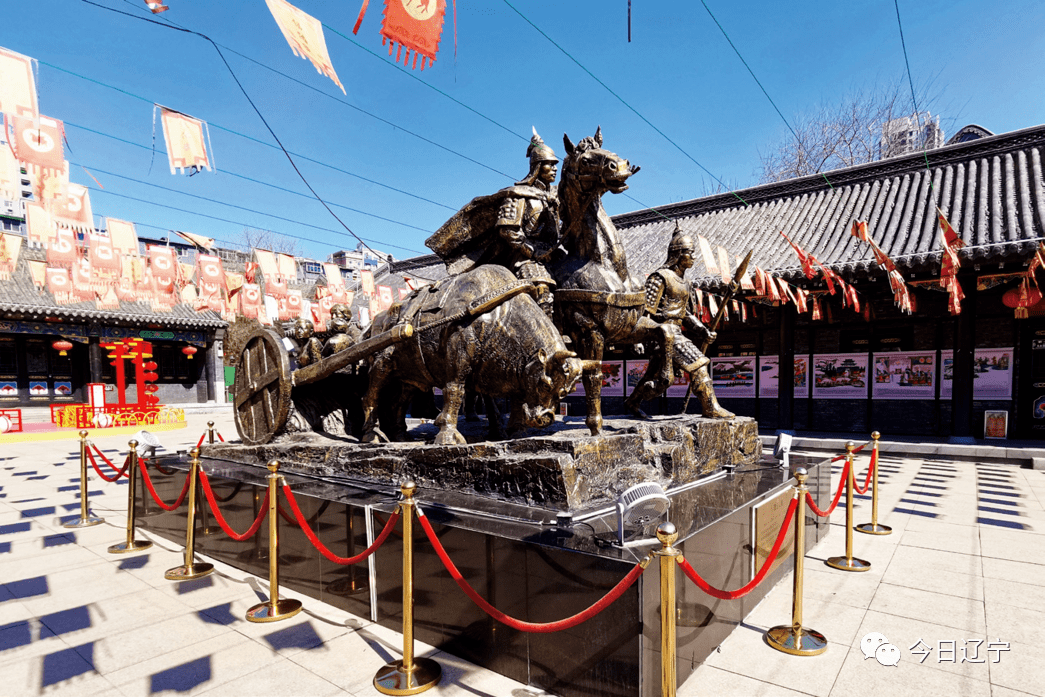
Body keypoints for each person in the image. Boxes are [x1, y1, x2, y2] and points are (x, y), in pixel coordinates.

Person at [425, 128, 563, 314]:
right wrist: (533, 251)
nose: (555, 168)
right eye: (549, 164)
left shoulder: (554, 196)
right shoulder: (518, 195)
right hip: (522, 258)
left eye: (555, 164)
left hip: (551, 253)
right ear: (537, 166)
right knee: (542, 292)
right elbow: (508, 231)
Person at [624, 227, 734, 419]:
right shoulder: (659, 278)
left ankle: (633, 401)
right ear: (678, 254)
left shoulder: (686, 283)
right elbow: (644, 312)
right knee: (699, 364)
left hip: (676, 333)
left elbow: (686, 315)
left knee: (652, 375)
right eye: (690, 252)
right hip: (660, 333)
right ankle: (710, 407)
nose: (693, 256)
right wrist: (638, 339)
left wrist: (703, 331)